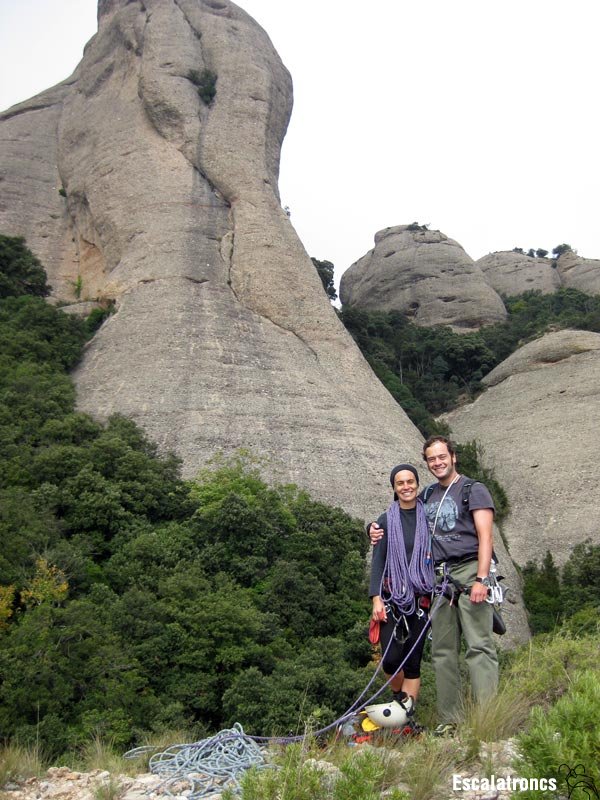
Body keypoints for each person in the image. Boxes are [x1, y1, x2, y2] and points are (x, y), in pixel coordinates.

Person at [369, 437, 498, 734]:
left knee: (479, 647)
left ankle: (488, 719)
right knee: (442, 652)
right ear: (427, 463)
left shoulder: (473, 489)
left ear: (453, 457)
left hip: (469, 572)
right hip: (439, 581)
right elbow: (400, 516)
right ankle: (450, 720)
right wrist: (372, 529)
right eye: (431, 459)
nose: (437, 462)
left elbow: (486, 537)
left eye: (442, 456)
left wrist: (481, 579)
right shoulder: (428, 494)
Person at [369, 463, 434, 715]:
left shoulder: (429, 517)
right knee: (390, 660)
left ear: (417, 484)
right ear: (394, 488)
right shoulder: (386, 520)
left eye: (410, 481)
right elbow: (378, 560)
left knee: (413, 662)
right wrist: (376, 599)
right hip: (392, 596)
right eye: (400, 483)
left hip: (421, 598)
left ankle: (406, 718)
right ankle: (398, 698)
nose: (406, 487)